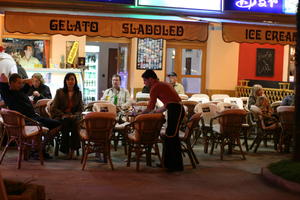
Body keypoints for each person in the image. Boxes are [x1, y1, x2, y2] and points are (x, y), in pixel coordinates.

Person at [0, 73, 61, 158]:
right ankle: (38, 149)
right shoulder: (7, 94)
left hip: (34, 117)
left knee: (58, 124)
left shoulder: (20, 90)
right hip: (29, 120)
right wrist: (23, 80)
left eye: (21, 82)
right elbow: (2, 75)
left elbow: (30, 82)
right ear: (12, 83)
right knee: (56, 124)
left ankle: (38, 148)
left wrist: (21, 82)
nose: (21, 84)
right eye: (18, 82)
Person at [141, 70, 185, 172]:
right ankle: (168, 164)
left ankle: (176, 166)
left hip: (176, 111)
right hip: (176, 109)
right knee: (170, 137)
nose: (144, 83)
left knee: (172, 137)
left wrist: (140, 115)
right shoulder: (163, 84)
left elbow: (150, 107)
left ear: (151, 79)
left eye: (145, 80)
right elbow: (168, 104)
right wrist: (155, 111)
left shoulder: (155, 87)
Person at [50, 73, 83, 159]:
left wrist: (74, 115)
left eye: (72, 79)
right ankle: (68, 149)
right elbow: (54, 108)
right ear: (65, 81)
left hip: (73, 117)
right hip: (62, 116)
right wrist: (63, 115)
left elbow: (80, 109)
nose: (70, 81)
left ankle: (71, 150)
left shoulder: (78, 93)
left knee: (75, 123)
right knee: (66, 122)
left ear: (75, 81)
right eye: (68, 79)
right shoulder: (60, 92)